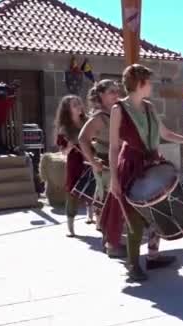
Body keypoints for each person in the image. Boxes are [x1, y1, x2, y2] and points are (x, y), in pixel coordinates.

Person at [100, 64, 183, 281]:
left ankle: (153, 256)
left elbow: (165, 133)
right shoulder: (118, 109)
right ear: (139, 84)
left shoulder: (149, 107)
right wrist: (113, 178)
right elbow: (113, 147)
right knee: (136, 218)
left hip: (151, 161)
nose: (151, 86)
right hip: (131, 165)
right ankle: (133, 265)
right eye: (148, 82)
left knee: (157, 208)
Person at [78, 79, 126, 258]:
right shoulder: (99, 118)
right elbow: (83, 139)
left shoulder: (117, 112)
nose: (116, 94)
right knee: (108, 205)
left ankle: (113, 241)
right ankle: (110, 244)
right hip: (106, 165)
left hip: (121, 162)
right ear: (101, 96)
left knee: (116, 204)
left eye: (117, 91)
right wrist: (93, 161)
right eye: (111, 92)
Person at [54, 95, 87, 237]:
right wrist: (70, 145)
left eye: (79, 103)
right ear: (68, 109)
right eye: (75, 105)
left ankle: (94, 218)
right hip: (75, 162)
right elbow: (63, 152)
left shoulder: (88, 122)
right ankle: (70, 226)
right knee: (72, 192)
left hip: (90, 159)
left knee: (95, 189)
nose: (79, 107)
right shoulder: (64, 128)